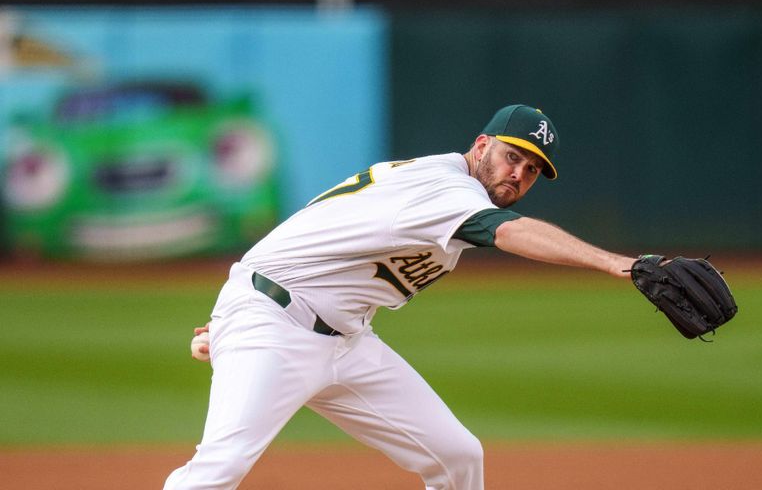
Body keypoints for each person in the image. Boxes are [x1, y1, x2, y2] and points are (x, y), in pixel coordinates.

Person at [164, 104, 636, 490]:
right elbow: (510, 232)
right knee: (218, 470)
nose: (519, 173)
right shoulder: (445, 186)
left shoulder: (448, 191)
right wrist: (619, 264)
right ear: (481, 145)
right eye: (513, 156)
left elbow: (321, 235)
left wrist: (235, 317)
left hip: (339, 338)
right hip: (274, 325)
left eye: (532, 170)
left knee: (458, 457)